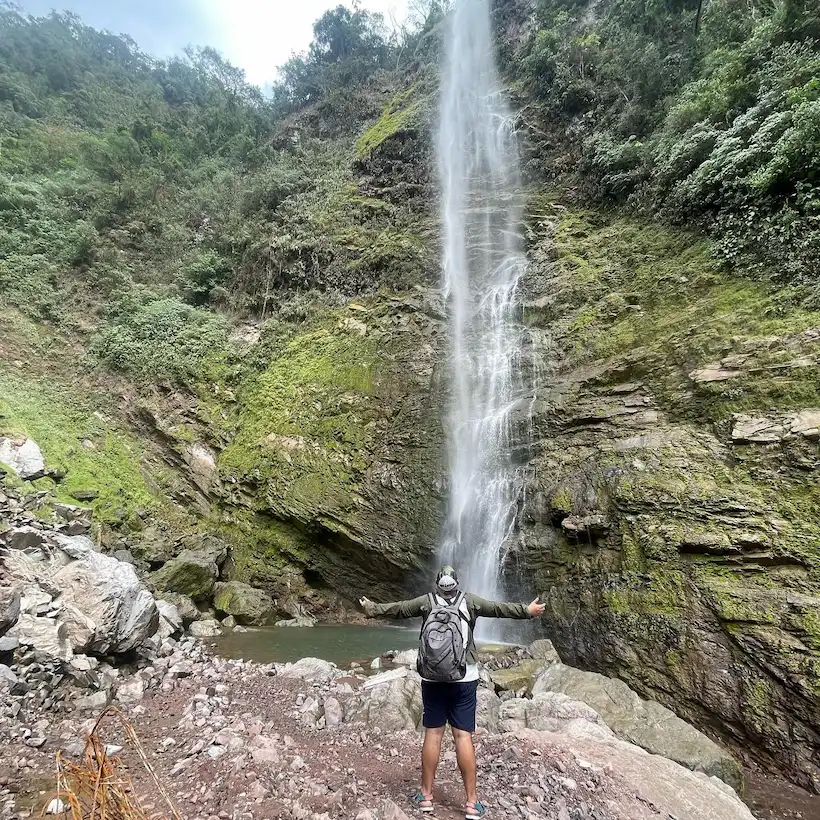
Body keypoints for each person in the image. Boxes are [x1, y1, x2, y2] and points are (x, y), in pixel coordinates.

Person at [360, 565, 546, 820]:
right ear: (457, 584)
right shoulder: (470, 601)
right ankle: (471, 804)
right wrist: (527, 611)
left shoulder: (426, 602)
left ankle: (425, 796)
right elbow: (498, 608)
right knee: (463, 737)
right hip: (465, 677)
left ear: (438, 585)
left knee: (433, 734)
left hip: (433, 678)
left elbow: (400, 608)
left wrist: (372, 609)